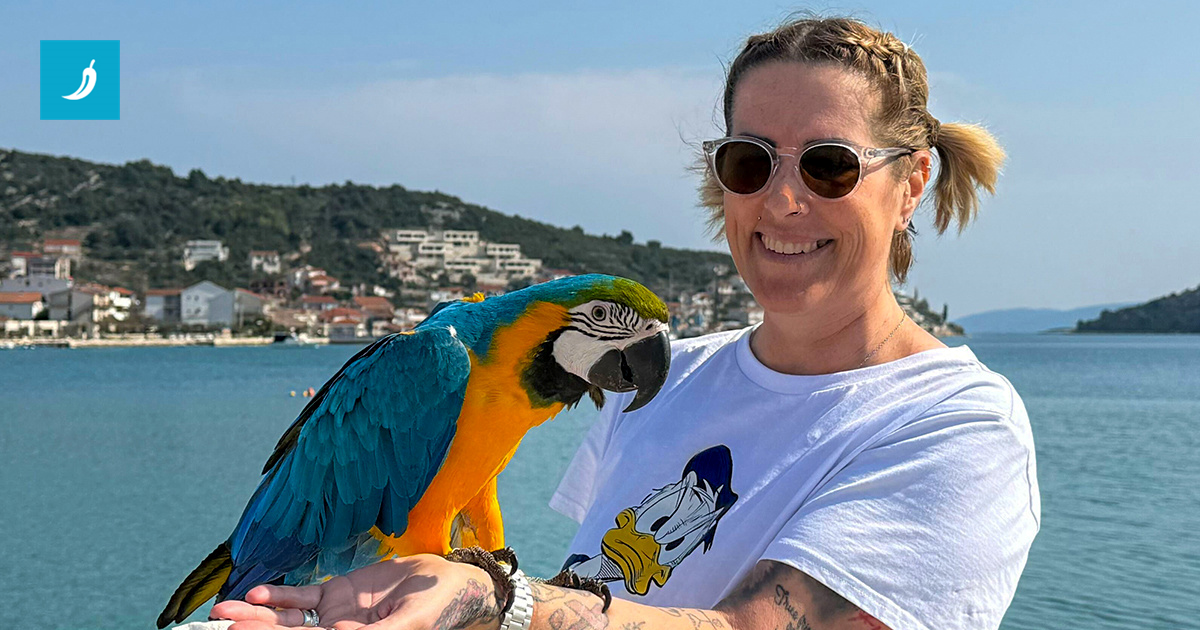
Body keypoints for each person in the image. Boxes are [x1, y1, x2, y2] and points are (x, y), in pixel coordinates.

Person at [212, 14, 1039, 630]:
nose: (784, 200)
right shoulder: (669, 382)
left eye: (830, 166)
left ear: (913, 182)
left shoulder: (955, 425)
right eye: (750, 162)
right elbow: (608, 595)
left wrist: (497, 600)